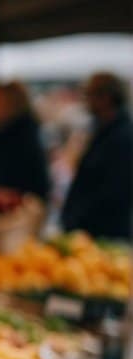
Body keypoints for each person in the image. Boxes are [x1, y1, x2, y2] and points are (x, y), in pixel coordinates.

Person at [62, 72, 132, 241]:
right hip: (91, 229)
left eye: (90, 94)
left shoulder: (122, 136)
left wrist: (78, 218)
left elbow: (114, 190)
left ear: (106, 97)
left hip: (104, 233)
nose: (86, 100)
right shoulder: (102, 129)